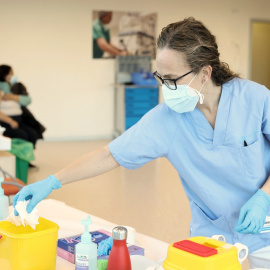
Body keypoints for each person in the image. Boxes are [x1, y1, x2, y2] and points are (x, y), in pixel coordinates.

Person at [13, 17, 270, 268]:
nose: (166, 88)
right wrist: (53, 181)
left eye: (173, 79)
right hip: (213, 232)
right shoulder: (167, 120)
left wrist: (263, 198)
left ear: (205, 72)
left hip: (266, 223)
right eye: (161, 78)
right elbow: (109, 155)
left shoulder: (254, 98)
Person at [0, 65, 39, 148]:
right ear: (4, 75)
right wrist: (10, 121)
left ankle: (26, 160)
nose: (13, 75)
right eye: (11, 73)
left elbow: (28, 100)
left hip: (19, 119)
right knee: (21, 135)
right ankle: (17, 160)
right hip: (5, 122)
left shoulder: (17, 87)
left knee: (33, 134)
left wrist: (12, 97)